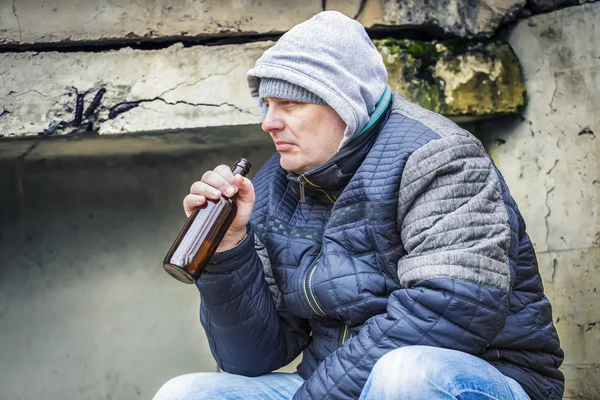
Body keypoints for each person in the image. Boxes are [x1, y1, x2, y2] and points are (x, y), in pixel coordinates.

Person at [154, 11, 564, 400]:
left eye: (290, 104)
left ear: (344, 102)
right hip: (335, 385)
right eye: (267, 104)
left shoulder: (439, 157)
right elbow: (251, 357)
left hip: (475, 378)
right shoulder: (275, 182)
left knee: (404, 373)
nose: (268, 122)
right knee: (189, 393)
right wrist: (228, 247)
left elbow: (451, 309)